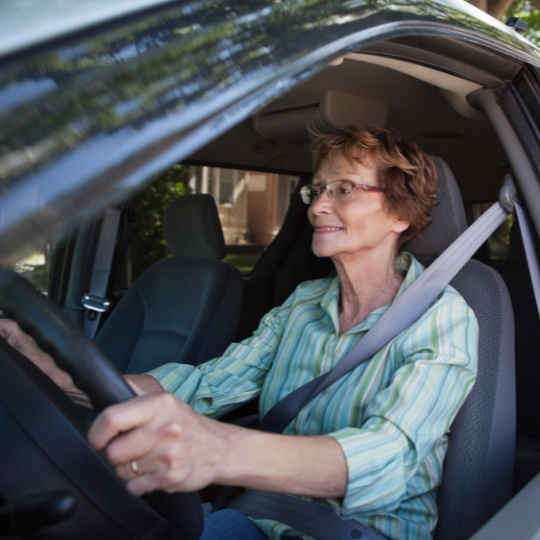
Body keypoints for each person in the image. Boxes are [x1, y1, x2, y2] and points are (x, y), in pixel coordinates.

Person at [0, 125, 478, 540]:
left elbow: (389, 457)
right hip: (263, 519)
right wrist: (55, 373)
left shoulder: (444, 319)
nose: (318, 207)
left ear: (402, 214)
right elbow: (206, 386)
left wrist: (218, 450)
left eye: (345, 189)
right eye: (317, 190)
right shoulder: (304, 303)